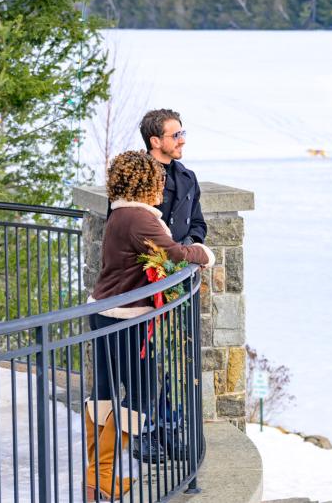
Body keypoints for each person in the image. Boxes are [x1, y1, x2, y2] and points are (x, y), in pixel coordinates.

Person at [85, 151, 215, 500]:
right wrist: (204, 254)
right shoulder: (140, 218)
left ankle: (98, 477)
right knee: (142, 395)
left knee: (104, 392)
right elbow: (176, 253)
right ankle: (102, 475)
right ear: (146, 183)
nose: (163, 187)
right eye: (159, 181)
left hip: (105, 310)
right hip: (126, 316)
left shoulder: (121, 213)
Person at [139, 109, 207, 245]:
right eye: (176, 135)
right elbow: (126, 227)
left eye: (182, 134)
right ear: (156, 141)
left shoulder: (188, 177)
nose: (182, 141)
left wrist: (190, 241)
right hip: (148, 262)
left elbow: (198, 222)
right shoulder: (135, 177)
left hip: (184, 261)